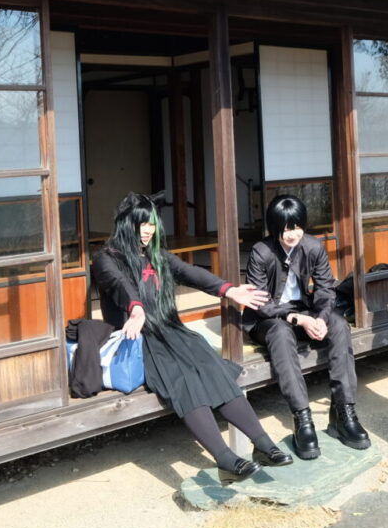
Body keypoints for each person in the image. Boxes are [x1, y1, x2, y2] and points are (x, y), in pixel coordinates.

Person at [91, 192, 294, 482]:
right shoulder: (105, 258)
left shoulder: (157, 255)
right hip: (138, 339)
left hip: (171, 330)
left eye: (152, 224)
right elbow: (119, 284)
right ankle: (224, 458)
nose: (148, 230)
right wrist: (135, 309)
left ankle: (263, 444)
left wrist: (228, 290)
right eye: (142, 224)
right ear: (127, 224)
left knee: (212, 368)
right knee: (182, 378)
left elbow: (190, 272)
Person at [243, 196, 370, 460]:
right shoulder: (261, 251)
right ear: (275, 227)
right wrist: (298, 319)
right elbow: (259, 302)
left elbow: (325, 288)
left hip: (304, 309)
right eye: (287, 228)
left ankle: (344, 413)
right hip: (268, 318)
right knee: (279, 333)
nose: (293, 234)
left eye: (298, 226)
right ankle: (302, 419)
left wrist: (321, 318)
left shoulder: (313, 246)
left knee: (338, 322)